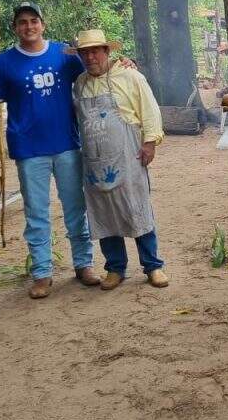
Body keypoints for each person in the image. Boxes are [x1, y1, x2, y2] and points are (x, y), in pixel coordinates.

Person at [0, 2, 99, 298]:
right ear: (15, 28)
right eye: (22, 22)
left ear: (43, 24)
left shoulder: (64, 54)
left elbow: (96, 71)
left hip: (67, 143)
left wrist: (124, 65)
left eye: (34, 21)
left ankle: (83, 264)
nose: (29, 26)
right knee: (36, 212)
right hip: (29, 148)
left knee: (75, 207)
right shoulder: (3, 63)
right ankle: (42, 272)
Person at [68, 29, 168, 290]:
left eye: (95, 51)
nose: (90, 57)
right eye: (84, 53)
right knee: (103, 213)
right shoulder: (79, 83)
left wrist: (150, 142)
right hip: (94, 162)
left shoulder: (130, 76)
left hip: (129, 155)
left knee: (137, 207)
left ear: (106, 52)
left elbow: (150, 109)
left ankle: (153, 266)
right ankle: (115, 268)